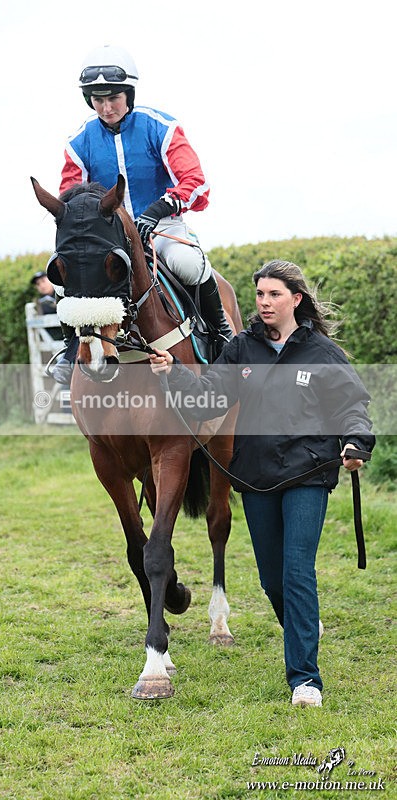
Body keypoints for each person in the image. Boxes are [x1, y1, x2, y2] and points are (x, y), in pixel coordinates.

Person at [149, 260, 375, 708]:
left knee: (296, 572)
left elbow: (353, 403)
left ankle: (305, 680)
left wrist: (355, 443)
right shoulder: (242, 350)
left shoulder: (321, 351)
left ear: (297, 299)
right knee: (273, 581)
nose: (265, 302)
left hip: (308, 475)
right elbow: (206, 396)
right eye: (260, 295)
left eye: (274, 294)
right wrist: (173, 372)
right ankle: (302, 628)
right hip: (256, 479)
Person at [51, 43, 232, 384]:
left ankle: (222, 335)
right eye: (97, 99)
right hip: (107, 236)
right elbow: (70, 196)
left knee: (189, 264)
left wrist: (157, 209)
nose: (105, 107)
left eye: (113, 98)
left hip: (163, 225)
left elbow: (195, 182)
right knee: (62, 277)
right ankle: (72, 344)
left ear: (129, 94)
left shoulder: (160, 126)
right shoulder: (78, 141)